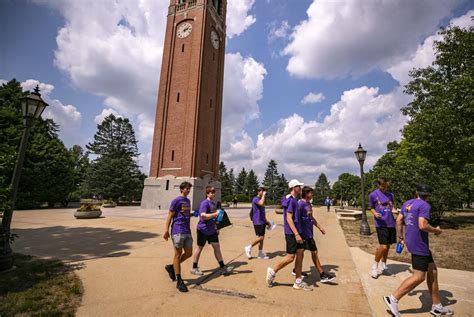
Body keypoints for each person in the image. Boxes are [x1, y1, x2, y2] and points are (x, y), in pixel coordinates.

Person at [383, 184, 453, 317]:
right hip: (420, 244)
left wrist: (401, 238)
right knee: (419, 276)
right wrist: (436, 230)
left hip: (411, 241)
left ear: (417, 193)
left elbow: (398, 220)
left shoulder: (408, 203)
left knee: (432, 270)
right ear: (428, 195)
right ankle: (393, 298)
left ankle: (437, 305)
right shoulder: (425, 205)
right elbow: (422, 225)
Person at [266, 179, 312, 291]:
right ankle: (272, 272)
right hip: (291, 233)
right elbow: (288, 218)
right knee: (290, 257)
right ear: (294, 188)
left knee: (300, 254)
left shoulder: (295, 200)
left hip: (298, 231)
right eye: (298, 186)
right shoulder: (291, 201)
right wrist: (296, 234)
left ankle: (298, 281)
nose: (300, 188)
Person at [292, 186, 335, 283]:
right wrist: (297, 233)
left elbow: (311, 218)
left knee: (301, 254)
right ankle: (322, 274)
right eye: (311, 193)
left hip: (309, 233)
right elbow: (296, 219)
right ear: (306, 194)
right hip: (303, 234)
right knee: (313, 252)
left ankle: (296, 270)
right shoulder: (300, 204)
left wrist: (319, 227)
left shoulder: (308, 204)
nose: (312, 195)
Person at [191, 186, 233, 276]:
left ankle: (222, 267)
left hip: (212, 230)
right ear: (207, 193)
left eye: (214, 192)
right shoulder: (204, 203)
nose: (213, 193)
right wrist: (215, 214)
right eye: (211, 192)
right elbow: (203, 216)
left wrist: (216, 227)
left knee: (217, 247)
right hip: (203, 229)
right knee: (199, 248)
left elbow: (214, 218)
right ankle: (194, 268)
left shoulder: (213, 204)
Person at [163, 181, 193, 292]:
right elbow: (170, 215)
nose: (188, 190)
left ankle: (172, 267)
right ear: (181, 189)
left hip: (187, 230)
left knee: (189, 253)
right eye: (186, 188)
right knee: (177, 254)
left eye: (189, 188)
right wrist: (166, 230)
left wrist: (193, 213)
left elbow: (184, 213)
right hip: (177, 230)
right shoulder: (176, 200)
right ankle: (179, 280)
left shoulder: (188, 201)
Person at [368, 177, 397, 279]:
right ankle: (374, 266)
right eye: (383, 186)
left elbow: (392, 207)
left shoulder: (391, 195)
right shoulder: (373, 195)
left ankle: (384, 266)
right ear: (378, 185)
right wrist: (375, 213)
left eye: (386, 186)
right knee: (383, 246)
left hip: (391, 223)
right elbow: (371, 208)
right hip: (381, 223)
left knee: (388, 246)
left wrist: (395, 211)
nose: (384, 188)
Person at [244, 187, 271, 259]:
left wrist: (266, 221)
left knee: (262, 238)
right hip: (257, 221)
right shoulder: (255, 199)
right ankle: (249, 247)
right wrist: (264, 196)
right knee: (261, 237)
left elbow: (262, 212)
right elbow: (261, 203)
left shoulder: (260, 199)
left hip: (262, 221)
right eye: (262, 191)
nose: (264, 192)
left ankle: (260, 253)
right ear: (258, 192)